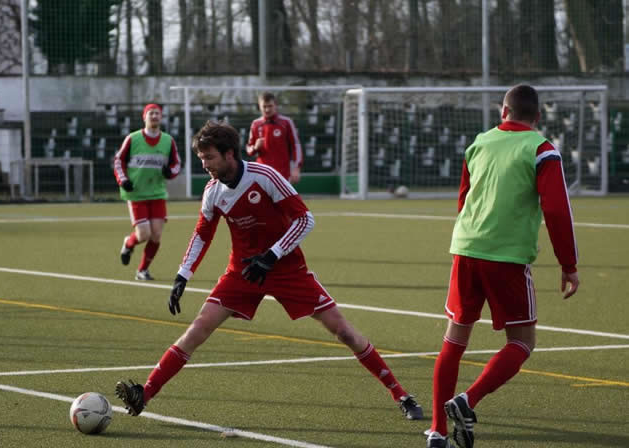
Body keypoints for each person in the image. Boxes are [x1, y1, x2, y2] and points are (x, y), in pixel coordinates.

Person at [115, 120, 423, 422]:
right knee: (198, 328)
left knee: (344, 332)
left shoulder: (264, 176)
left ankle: (401, 395)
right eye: (201, 158)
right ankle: (145, 393)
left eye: (209, 157)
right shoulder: (212, 191)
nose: (205, 165)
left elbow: (305, 219)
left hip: (287, 268)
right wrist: (183, 274)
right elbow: (202, 234)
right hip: (243, 272)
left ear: (229, 154)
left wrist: (272, 255)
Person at [426, 84, 580, 448]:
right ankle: (467, 400)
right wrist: (568, 264)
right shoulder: (541, 149)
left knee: (454, 340)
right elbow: (557, 210)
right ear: (537, 117)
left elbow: (464, 199)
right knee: (522, 342)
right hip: (506, 257)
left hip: (466, 248)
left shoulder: (479, 143)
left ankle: (437, 432)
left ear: (503, 112)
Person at [113, 103, 182, 281]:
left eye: (157, 113)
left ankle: (142, 270)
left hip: (157, 193)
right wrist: (123, 180)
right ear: (144, 117)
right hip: (136, 193)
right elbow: (119, 161)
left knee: (156, 235)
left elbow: (176, 164)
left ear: (161, 117)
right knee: (144, 234)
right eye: (151, 113)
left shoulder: (168, 140)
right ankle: (129, 243)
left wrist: (170, 172)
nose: (154, 116)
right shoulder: (133, 138)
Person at [245, 92, 303, 184]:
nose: (267, 109)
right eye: (264, 106)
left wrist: (296, 168)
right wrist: (255, 147)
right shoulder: (256, 124)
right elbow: (249, 148)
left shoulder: (286, 122)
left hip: (282, 173)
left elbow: (296, 145)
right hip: (262, 173)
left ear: (275, 105)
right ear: (259, 107)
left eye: (270, 106)